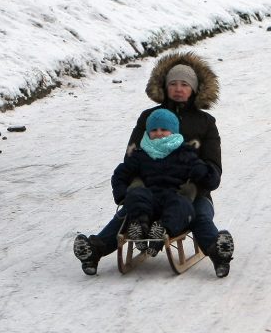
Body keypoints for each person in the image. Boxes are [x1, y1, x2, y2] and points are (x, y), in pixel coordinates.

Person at [73, 51, 235, 277]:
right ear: (165, 86)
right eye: (173, 84)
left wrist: (196, 181)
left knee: (198, 215)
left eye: (185, 84)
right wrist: (131, 190)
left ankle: (218, 252)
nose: (179, 89)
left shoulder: (205, 122)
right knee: (129, 211)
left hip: (192, 192)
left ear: (195, 89)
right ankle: (94, 249)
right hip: (151, 190)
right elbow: (131, 160)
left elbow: (213, 169)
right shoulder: (149, 117)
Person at [111, 108, 219, 258]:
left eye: (164, 129)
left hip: (172, 196)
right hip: (149, 198)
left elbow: (202, 171)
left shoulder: (184, 153)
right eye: (154, 130)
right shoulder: (141, 154)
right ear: (148, 132)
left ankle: (162, 231)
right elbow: (120, 174)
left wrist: (204, 173)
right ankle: (138, 229)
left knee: (182, 205)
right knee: (136, 195)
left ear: (173, 132)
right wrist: (122, 194)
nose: (159, 133)